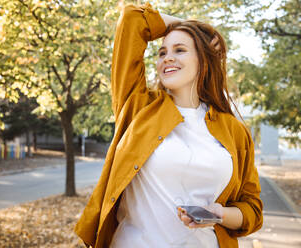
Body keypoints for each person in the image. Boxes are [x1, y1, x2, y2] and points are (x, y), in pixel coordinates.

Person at [74, 3, 263, 248]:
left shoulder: (234, 131)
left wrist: (219, 214)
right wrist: (196, 30)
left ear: (203, 59)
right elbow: (132, 20)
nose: (168, 57)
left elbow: (252, 210)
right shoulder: (138, 107)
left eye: (180, 50)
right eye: (162, 52)